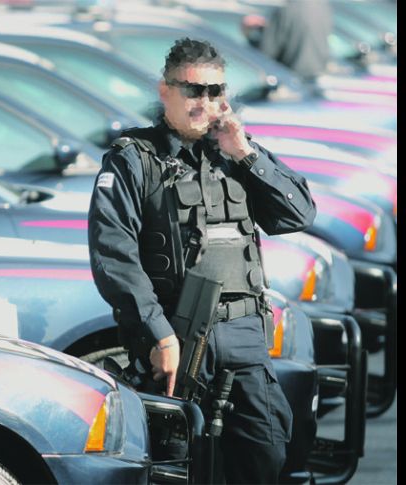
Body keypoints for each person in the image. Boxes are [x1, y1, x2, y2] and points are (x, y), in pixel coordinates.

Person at [88, 37, 316, 484]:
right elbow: (113, 255)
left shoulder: (235, 153)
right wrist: (158, 334)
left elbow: (298, 213)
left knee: (266, 455)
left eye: (215, 91)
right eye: (193, 90)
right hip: (178, 342)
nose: (205, 101)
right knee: (181, 467)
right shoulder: (134, 160)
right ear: (165, 91)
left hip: (245, 340)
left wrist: (244, 151)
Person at [256, 0, 334, 80]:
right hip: (317, 75)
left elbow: (266, 53)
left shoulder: (287, 10)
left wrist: (254, 35)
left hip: (291, 76)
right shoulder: (323, 7)